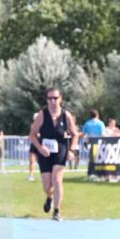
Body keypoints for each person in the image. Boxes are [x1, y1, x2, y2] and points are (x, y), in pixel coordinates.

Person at [29, 88, 78, 221]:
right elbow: (32, 135)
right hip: (45, 151)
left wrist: (72, 150)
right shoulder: (42, 115)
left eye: (55, 98)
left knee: (57, 180)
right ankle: (49, 197)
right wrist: (40, 148)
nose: (52, 101)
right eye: (49, 98)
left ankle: (56, 211)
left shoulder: (66, 115)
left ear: (60, 99)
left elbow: (75, 134)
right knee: (47, 186)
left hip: (61, 149)